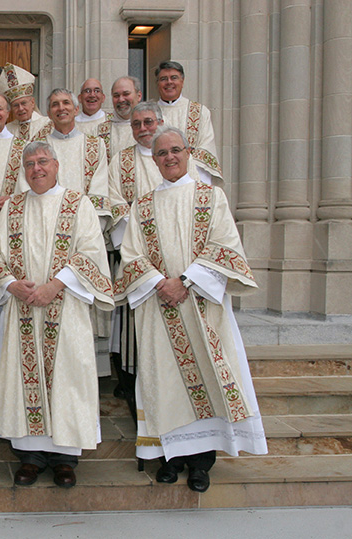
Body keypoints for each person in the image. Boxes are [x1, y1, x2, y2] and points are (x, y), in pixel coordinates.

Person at [114, 126, 267, 493]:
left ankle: (201, 464)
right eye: (162, 153)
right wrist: (159, 283)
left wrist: (185, 280)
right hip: (158, 306)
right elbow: (132, 256)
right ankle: (171, 457)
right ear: (154, 160)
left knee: (206, 377)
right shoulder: (143, 204)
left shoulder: (210, 198)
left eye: (175, 151)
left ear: (188, 152)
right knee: (163, 383)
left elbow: (224, 245)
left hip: (200, 304)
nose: (169, 157)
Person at [0, 141, 114, 488]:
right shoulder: (13, 207)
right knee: (21, 376)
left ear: (57, 165)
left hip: (66, 307)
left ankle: (64, 457)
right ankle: (30, 456)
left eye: (42, 162)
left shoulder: (78, 204)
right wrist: (10, 284)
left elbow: (91, 251)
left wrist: (55, 286)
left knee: (68, 377)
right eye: (29, 164)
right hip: (22, 310)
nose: (36, 169)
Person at [28, 89, 110, 226]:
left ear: (76, 109)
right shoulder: (37, 147)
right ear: (49, 114)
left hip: (85, 224)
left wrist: (91, 228)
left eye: (66, 103)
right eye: (55, 104)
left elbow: (99, 187)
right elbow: (29, 187)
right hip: (45, 223)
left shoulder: (95, 145)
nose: (61, 108)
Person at [154, 60, 223, 183]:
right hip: (156, 178)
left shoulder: (199, 112)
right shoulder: (150, 113)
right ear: (157, 83)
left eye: (174, 78)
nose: (169, 82)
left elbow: (205, 148)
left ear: (182, 81)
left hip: (191, 180)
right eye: (164, 79)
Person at [96, 76, 143, 161]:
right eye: (116, 95)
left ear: (139, 96)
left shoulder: (152, 126)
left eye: (126, 94)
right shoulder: (99, 131)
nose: (121, 99)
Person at [0, 62, 52, 141]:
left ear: (32, 102)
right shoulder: (7, 130)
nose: (20, 108)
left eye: (23, 103)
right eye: (16, 105)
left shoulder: (48, 125)